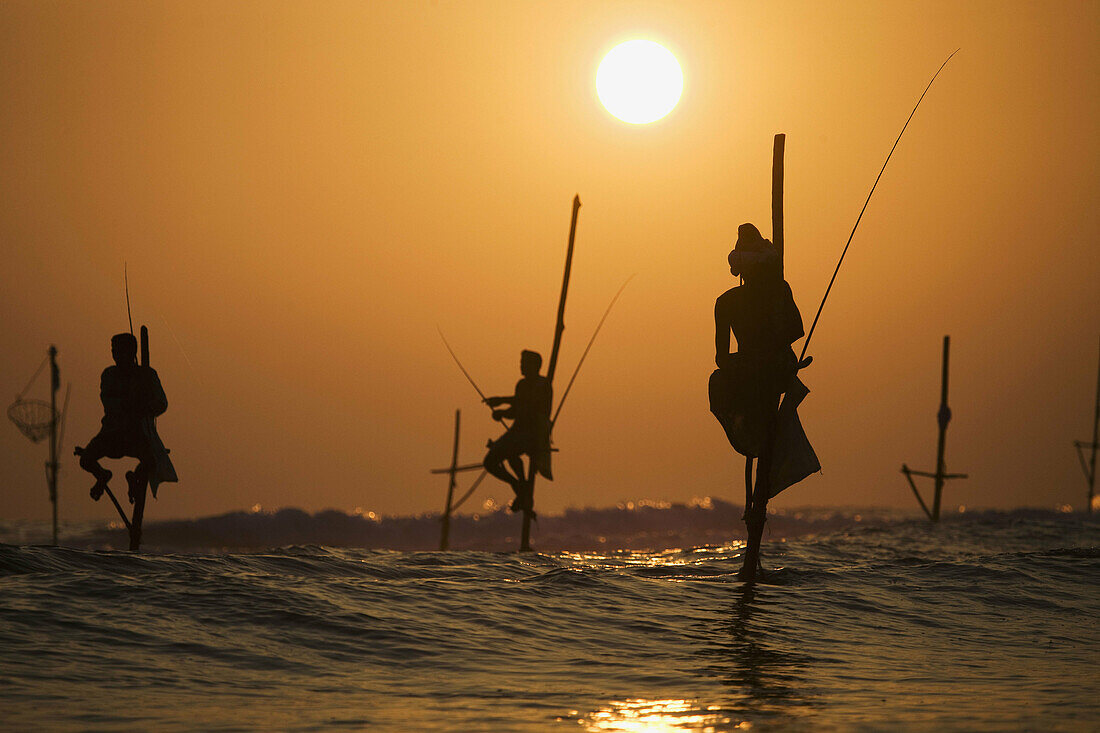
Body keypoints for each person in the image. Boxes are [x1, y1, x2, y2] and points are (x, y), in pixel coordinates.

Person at [709, 223, 805, 514]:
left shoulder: (735, 300)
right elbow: (794, 331)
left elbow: (722, 358)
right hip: (760, 374)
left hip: (771, 372)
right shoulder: (735, 301)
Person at [78, 332, 176, 504]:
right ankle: (102, 475)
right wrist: (132, 400)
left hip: (135, 434)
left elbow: (162, 403)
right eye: (114, 351)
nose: (116, 355)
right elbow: (110, 402)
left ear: (132, 352)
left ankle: (134, 479)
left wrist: (147, 406)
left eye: (120, 351)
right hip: (111, 433)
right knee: (86, 459)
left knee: (150, 462)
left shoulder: (147, 375)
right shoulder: (109, 375)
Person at [482, 349, 553, 512]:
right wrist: (502, 410)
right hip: (516, 433)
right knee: (490, 461)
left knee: (508, 454)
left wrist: (502, 407)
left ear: (535, 366)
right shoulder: (521, 384)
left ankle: (522, 488)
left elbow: (526, 408)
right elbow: (516, 409)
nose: (520, 366)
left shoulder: (542, 385)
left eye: (524, 363)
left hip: (531, 435)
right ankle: (519, 485)